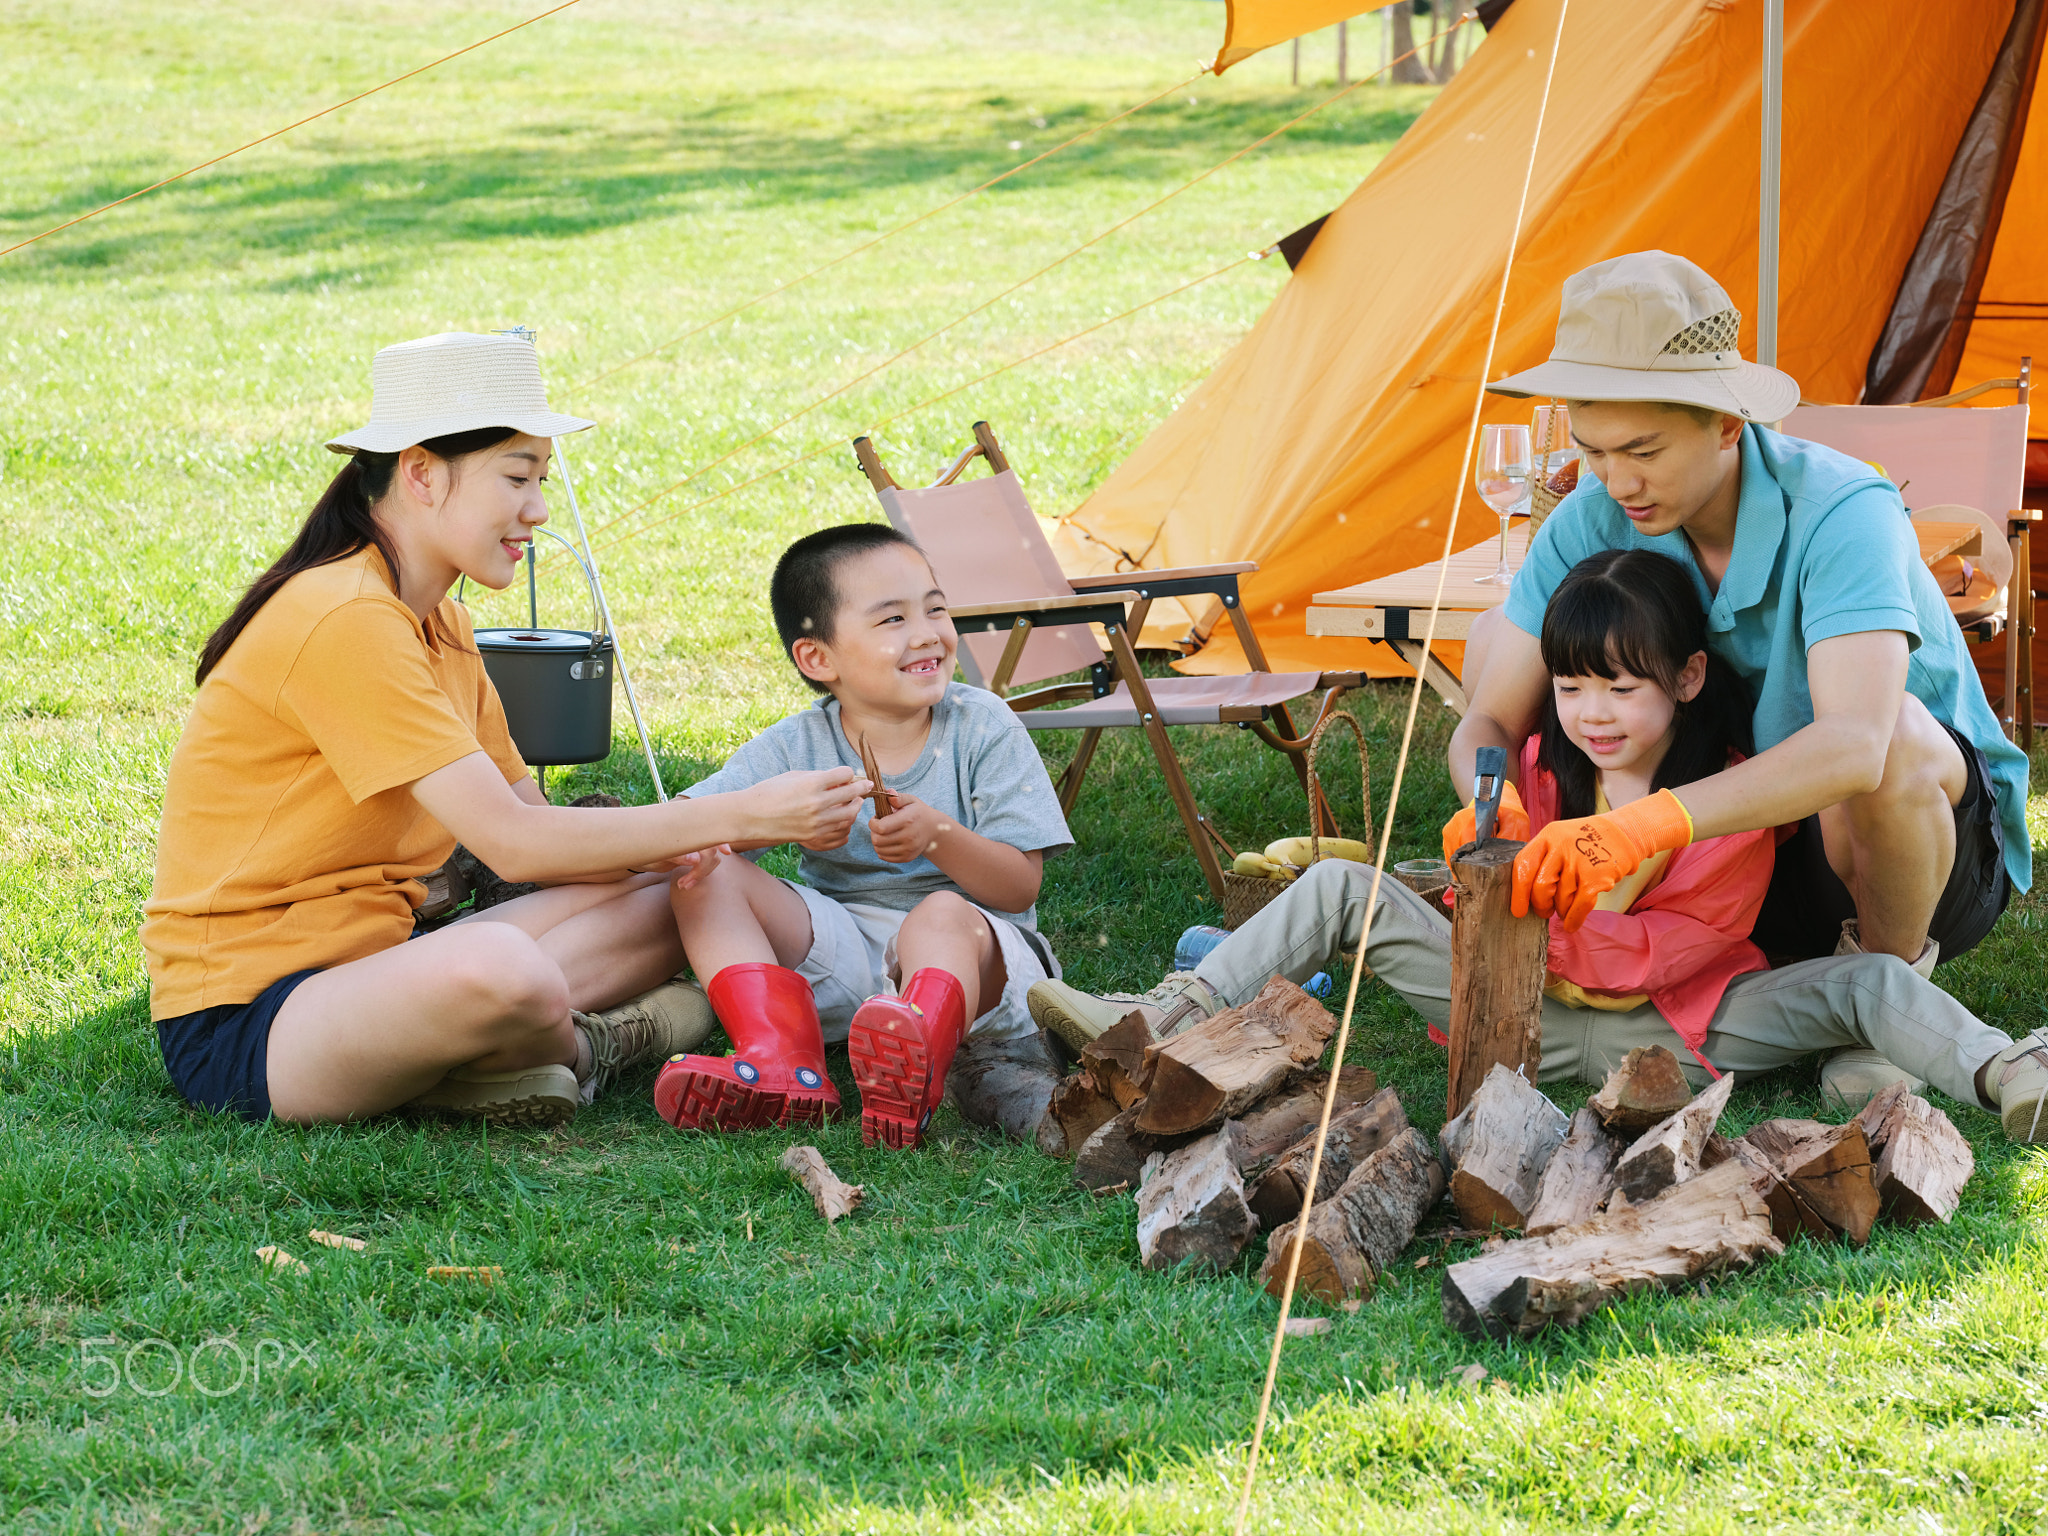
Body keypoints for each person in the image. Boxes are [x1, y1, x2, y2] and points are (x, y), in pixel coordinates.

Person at [1029, 549, 2048, 1142]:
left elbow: (1683, 947)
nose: (1593, 713)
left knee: (1866, 979)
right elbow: (1480, 891)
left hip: (1686, 1029)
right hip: (1519, 1014)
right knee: (1343, 884)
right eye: (1570, 688)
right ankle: (1158, 1015)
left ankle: (2004, 1072)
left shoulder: (1726, 793)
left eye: (1621, 687)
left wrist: (1565, 902)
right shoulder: (1538, 773)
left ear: (1687, 680)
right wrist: (1482, 862)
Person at [144, 333, 871, 1129]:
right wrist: (745, 812)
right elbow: (515, 847)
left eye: (542, 480)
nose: (539, 509)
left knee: (688, 883)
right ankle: (591, 1045)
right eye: (518, 478)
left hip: (384, 968)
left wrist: (692, 842)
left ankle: (478, 1056)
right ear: (422, 473)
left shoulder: (445, 625)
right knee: (497, 969)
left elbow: (537, 830)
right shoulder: (343, 615)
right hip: (252, 1018)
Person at [1448, 249, 2033, 1103]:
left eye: (1643, 450)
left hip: (1906, 857)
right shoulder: (1589, 516)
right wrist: (1489, 801)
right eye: (1594, 450)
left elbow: (1856, 748)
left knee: (1895, 743)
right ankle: (1738, 970)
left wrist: (1642, 828)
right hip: (1725, 865)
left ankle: (1888, 992)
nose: (1617, 481)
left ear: (1727, 425)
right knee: (1493, 637)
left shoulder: (1842, 510)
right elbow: (1492, 721)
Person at [654, 523, 1073, 1149]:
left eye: (936, 609)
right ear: (818, 659)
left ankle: (919, 1058)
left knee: (940, 913)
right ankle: (781, 1057)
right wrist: (758, 825)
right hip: (847, 956)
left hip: (980, 972)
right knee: (705, 877)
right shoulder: (798, 744)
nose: (927, 633)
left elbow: (1019, 887)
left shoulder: (983, 725)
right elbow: (691, 820)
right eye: (893, 619)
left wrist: (938, 835)